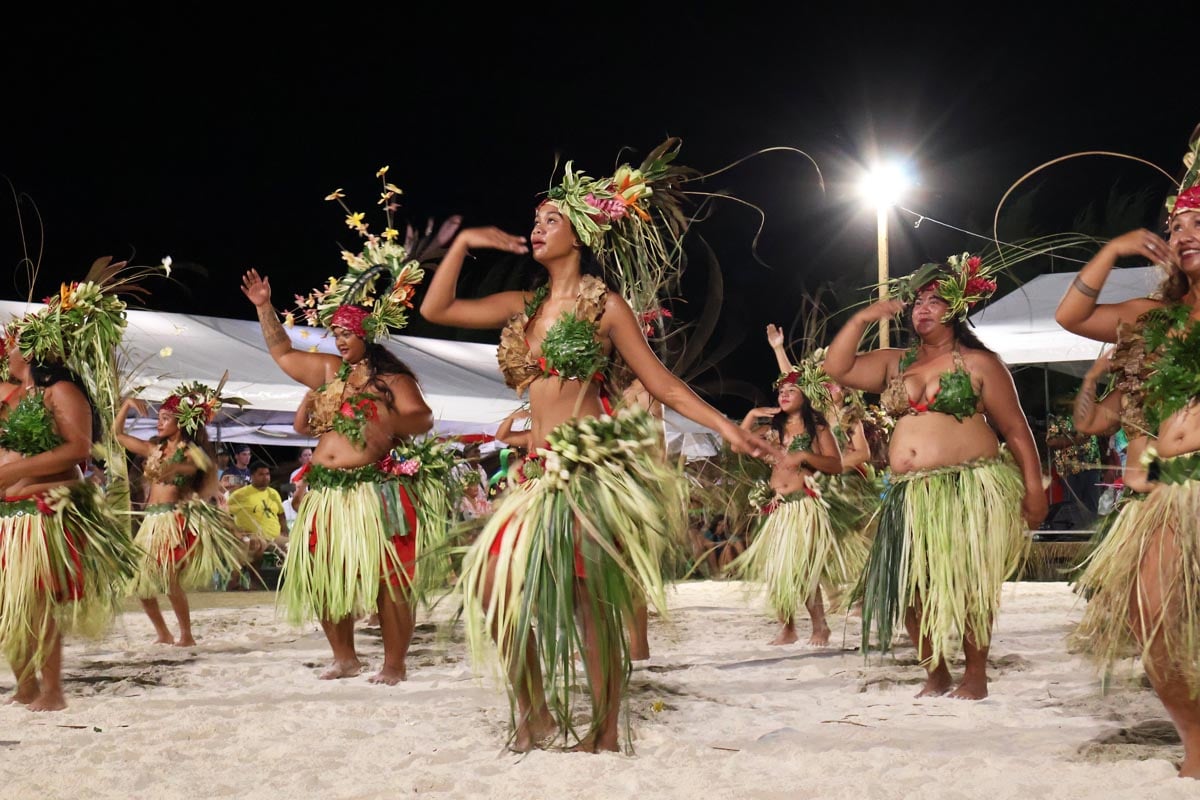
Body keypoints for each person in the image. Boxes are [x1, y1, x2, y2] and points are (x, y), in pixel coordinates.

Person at [419, 138, 768, 752]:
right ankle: (536, 712)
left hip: (590, 473)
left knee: (588, 602)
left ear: (578, 235)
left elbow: (660, 382)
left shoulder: (605, 306)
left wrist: (727, 427)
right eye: (534, 220)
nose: (536, 229)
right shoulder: (522, 307)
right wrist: (467, 242)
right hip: (536, 474)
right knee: (494, 587)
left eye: (550, 221)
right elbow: (436, 305)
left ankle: (604, 730)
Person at [240, 167, 435, 684]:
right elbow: (282, 351)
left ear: (366, 335)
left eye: (346, 333)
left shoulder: (390, 379)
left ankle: (393, 664)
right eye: (334, 333)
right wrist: (265, 308)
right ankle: (345, 657)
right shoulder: (328, 372)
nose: (338, 340)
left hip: (371, 491)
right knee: (325, 576)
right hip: (325, 491)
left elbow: (422, 419)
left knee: (388, 581)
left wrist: (382, 411)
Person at [825, 250, 1047, 700]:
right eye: (917, 302)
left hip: (968, 487)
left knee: (967, 582)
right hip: (909, 493)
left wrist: (1034, 490)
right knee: (908, 585)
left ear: (957, 307)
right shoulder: (896, 362)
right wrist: (867, 315)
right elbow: (838, 368)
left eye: (933, 301)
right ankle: (936, 669)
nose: (921, 309)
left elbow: (1017, 431)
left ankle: (976, 674)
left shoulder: (981, 364)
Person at [1053, 128, 1200, 779]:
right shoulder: (1151, 316)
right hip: (1165, 494)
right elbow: (1072, 319)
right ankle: (1196, 743)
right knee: (1152, 621)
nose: (1185, 229)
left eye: (1199, 218)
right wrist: (1112, 250)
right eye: (1178, 222)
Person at [0, 267, 146, 710]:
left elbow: (77, 448)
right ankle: (24, 685)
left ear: (34, 348)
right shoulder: (19, 396)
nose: (7, 345)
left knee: (39, 604)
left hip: (46, 510)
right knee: (12, 605)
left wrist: (11, 472)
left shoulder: (61, 391)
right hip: (13, 513)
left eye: (14, 339)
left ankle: (54, 690)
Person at [730, 361, 859, 646]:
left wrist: (804, 458)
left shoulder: (818, 428)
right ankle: (787, 628)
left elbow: (835, 465)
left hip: (804, 506)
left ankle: (820, 626)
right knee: (778, 569)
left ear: (805, 397)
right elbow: (737, 445)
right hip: (777, 506)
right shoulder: (770, 429)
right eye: (781, 391)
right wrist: (751, 416)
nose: (784, 394)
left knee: (803, 567)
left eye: (792, 389)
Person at [115, 382, 245, 644]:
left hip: (174, 522)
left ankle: (186, 634)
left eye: (165, 418)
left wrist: (172, 470)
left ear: (182, 423)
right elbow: (118, 436)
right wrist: (126, 405)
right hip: (151, 523)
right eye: (159, 418)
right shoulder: (155, 449)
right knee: (140, 584)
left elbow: (191, 468)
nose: (159, 423)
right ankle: (163, 633)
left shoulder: (191, 453)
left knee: (169, 579)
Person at [225, 461, 288, 590]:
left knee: (293, 546)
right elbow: (225, 513)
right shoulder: (240, 494)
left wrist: (285, 530)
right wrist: (236, 530)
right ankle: (235, 582)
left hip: (275, 537)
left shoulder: (273, 493)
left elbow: (281, 514)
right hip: (253, 535)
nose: (266, 477)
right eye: (261, 474)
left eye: (267, 474)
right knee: (256, 544)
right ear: (252, 476)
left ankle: (292, 583)